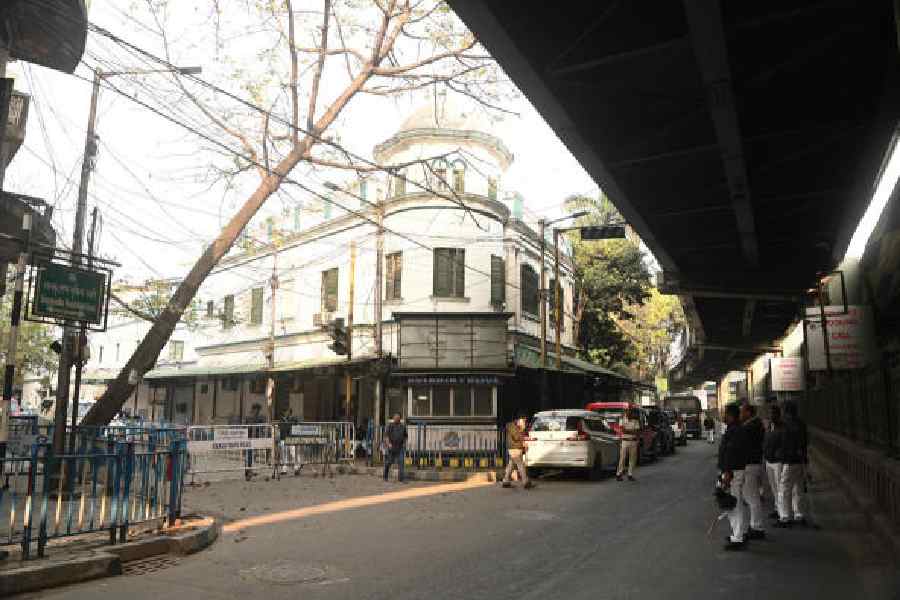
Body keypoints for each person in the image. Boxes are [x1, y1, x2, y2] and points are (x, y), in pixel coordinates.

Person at [719, 403, 749, 550]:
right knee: (734, 503)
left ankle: (738, 538)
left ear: (730, 415)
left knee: (734, 504)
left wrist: (727, 472)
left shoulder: (736, 430)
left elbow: (732, 453)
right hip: (733, 470)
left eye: (725, 413)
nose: (723, 416)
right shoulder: (734, 429)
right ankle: (739, 533)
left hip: (733, 471)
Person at [776, 401, 808, 527]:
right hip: (800, 460)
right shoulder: (801, 424)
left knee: (784, 489)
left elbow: (784, 443)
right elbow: (805, 441)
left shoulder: (786, 425)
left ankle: (785, 516)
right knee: (798, 488)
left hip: (789, 461)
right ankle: (799, 513)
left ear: (787, 412)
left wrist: (782, 455)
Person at [740, 403, 766, 540]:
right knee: (751, 496)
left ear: (748, 413)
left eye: (742, 412)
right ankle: (755, 525)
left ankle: (757, 527)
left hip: (750, 463)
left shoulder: (750, 427)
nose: (741, 414)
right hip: (753, 462)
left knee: (751, 497)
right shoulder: (755, 425)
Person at [764, 404, 785, 520]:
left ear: (778, 415)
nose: (771, 416)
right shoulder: (769, 427)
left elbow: (784, 442)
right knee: (773, 487)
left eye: (773, 413)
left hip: (778, 461)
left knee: (780, 487)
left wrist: (780, 453)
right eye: (770, 413)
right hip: (769, 460)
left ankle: (783, 513)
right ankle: (777, 508)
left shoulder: (782, 427)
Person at [502, 414, 533, 489]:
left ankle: (506, 481)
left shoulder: (516, 426)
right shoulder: (512, 426)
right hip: (515, 448)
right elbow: (516, 437)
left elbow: (519, 437)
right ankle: (525, 482)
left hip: (515, 448)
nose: (524, 422)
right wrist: (521, 429)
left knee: (511, 464)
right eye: (523, 420)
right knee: (520, 464)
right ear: (519, 419)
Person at [616, 407, 641, 482]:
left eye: (630, 412)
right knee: (622, 458)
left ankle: (630, 474)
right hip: (625, 441)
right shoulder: (622, 420)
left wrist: (628, 431)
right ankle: (619, 474)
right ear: (625, 412)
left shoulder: (635, 421)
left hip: (633, 441)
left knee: (632, 459)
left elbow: (637, 432)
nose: (629, 413)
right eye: (627, 411)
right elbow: (623, 430)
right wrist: (631, 431)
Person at [383, 412, 408, 483]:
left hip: (400, 447)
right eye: (395, 417)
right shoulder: (390, 426)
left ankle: (401, 478)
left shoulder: (403, 426)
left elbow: (405, 436)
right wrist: (388, 444)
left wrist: (404, 443)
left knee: (401, 462)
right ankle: (385, 476)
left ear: (400, 418)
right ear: (393, 418)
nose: (396, 418)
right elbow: (386, 436)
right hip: (392, 447)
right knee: (389, 462)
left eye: (397, 417)